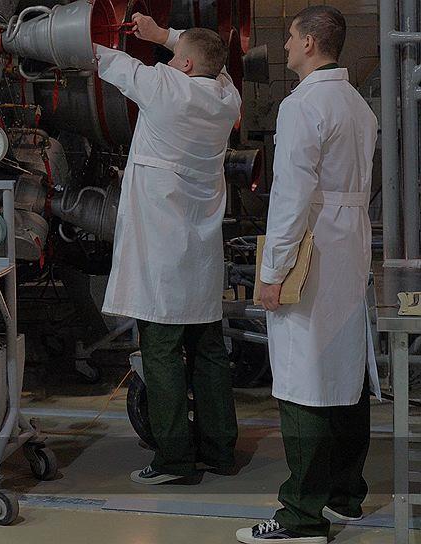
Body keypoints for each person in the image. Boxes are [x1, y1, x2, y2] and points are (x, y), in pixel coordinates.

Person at [240, 6, 380, 543]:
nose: (285, 46)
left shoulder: (303, 106)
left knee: (302, 376)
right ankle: (346, 495)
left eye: (291, 37)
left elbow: (290, 197)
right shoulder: (357, 105)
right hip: (349, 246)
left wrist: (272, 271)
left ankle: (301, 516)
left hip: (313, 247)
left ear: (309, 43)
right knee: (345, 370)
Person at [96, 13, 241, 485]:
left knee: (160, 354)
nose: (169, 59)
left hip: (160, 256)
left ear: (185, 65)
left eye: (175, 56)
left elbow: (102, 57)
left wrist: (89, 34)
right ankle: (220, 451)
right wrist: (162, 35)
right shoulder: (227, 98)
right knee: (208, 352)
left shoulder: (164, 88)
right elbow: (214, 61)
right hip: (200, 254)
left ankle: (174, 460)